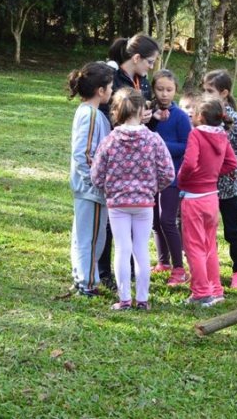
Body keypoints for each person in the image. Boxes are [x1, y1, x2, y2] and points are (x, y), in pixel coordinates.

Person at [90, 88, 174, 311]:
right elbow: (168, 173)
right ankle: (143, 299)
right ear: (140, 109)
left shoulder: (109, 141)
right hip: (144, 203)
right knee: (141, 250)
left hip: (118, 204)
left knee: (122, 249)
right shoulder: (153, 140)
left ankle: (125, 299)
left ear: (117, 111)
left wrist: (110, 188)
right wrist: (152, 188)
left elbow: (96, 174)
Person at [95, 33, 160, 290]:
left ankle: (132, 271)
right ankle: (105, 272)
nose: (151, 67)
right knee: (111, 223)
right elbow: (107, 116)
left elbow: (144, 117)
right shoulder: (114, 80)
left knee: (131, 224)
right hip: (117, 157)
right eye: (150, 61)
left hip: (138, 160)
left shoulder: (142, 82)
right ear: (136, 58)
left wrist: (152, 116)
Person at [177, 96, 237, 306]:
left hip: (193, 198)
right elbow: (232, 163)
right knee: (209, 244)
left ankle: (201, 292)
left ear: (201, 117)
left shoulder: (196, 134)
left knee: (194, 246)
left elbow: (190, 162)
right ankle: (216, 290)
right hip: (212, 197)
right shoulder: (222, 135)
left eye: (193, 113)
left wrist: (183, 179)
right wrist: (212, 174)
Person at [67, 62, 115, 297]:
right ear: (101, 90)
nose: (112, 91)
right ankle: (85, 282)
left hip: (88, 188)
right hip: (90, 190)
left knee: (86, 234)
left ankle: (83, 278)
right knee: (92, 236)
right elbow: (84, 153)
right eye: (110, 86)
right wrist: (95, 181)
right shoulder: (91, 114)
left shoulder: (88, 112)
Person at [202, 69, 237, 289]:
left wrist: (225, 169)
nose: (206, 94)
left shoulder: (234, 118)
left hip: (228, 185)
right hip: (205, 186)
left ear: (224, 93)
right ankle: (205, 272)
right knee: (204, 231)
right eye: (204, 90)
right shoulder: (202, 115)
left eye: (210, 91)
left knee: (232, 230)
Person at [149, 69, 191, 286]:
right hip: (150, 177)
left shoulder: (181, 117)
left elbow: (187, 146)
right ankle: (163, 262)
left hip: (172, 177)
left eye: (169, 90)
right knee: (155, 221)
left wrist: (161, 145)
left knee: (168, 220)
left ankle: (178, 268)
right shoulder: (149, 114)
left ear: (175, 90)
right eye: (160, 89)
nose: (164, 94)